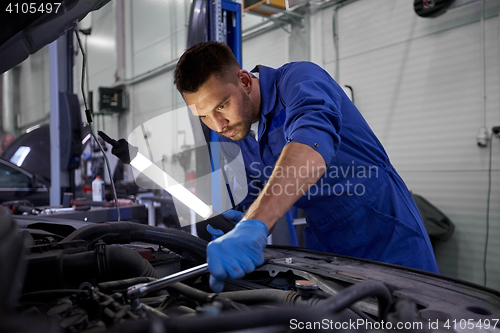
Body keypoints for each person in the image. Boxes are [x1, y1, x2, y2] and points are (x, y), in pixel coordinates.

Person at [174, 42, 439, 293]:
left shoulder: (299, 80)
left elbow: (311, 141)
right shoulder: (235, 130)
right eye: (204, 116)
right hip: (324, 242)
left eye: (221, 106)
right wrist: (243, 221)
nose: (218, 124)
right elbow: (258, 190)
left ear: (244, 80)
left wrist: (255, 223)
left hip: (383, 229)